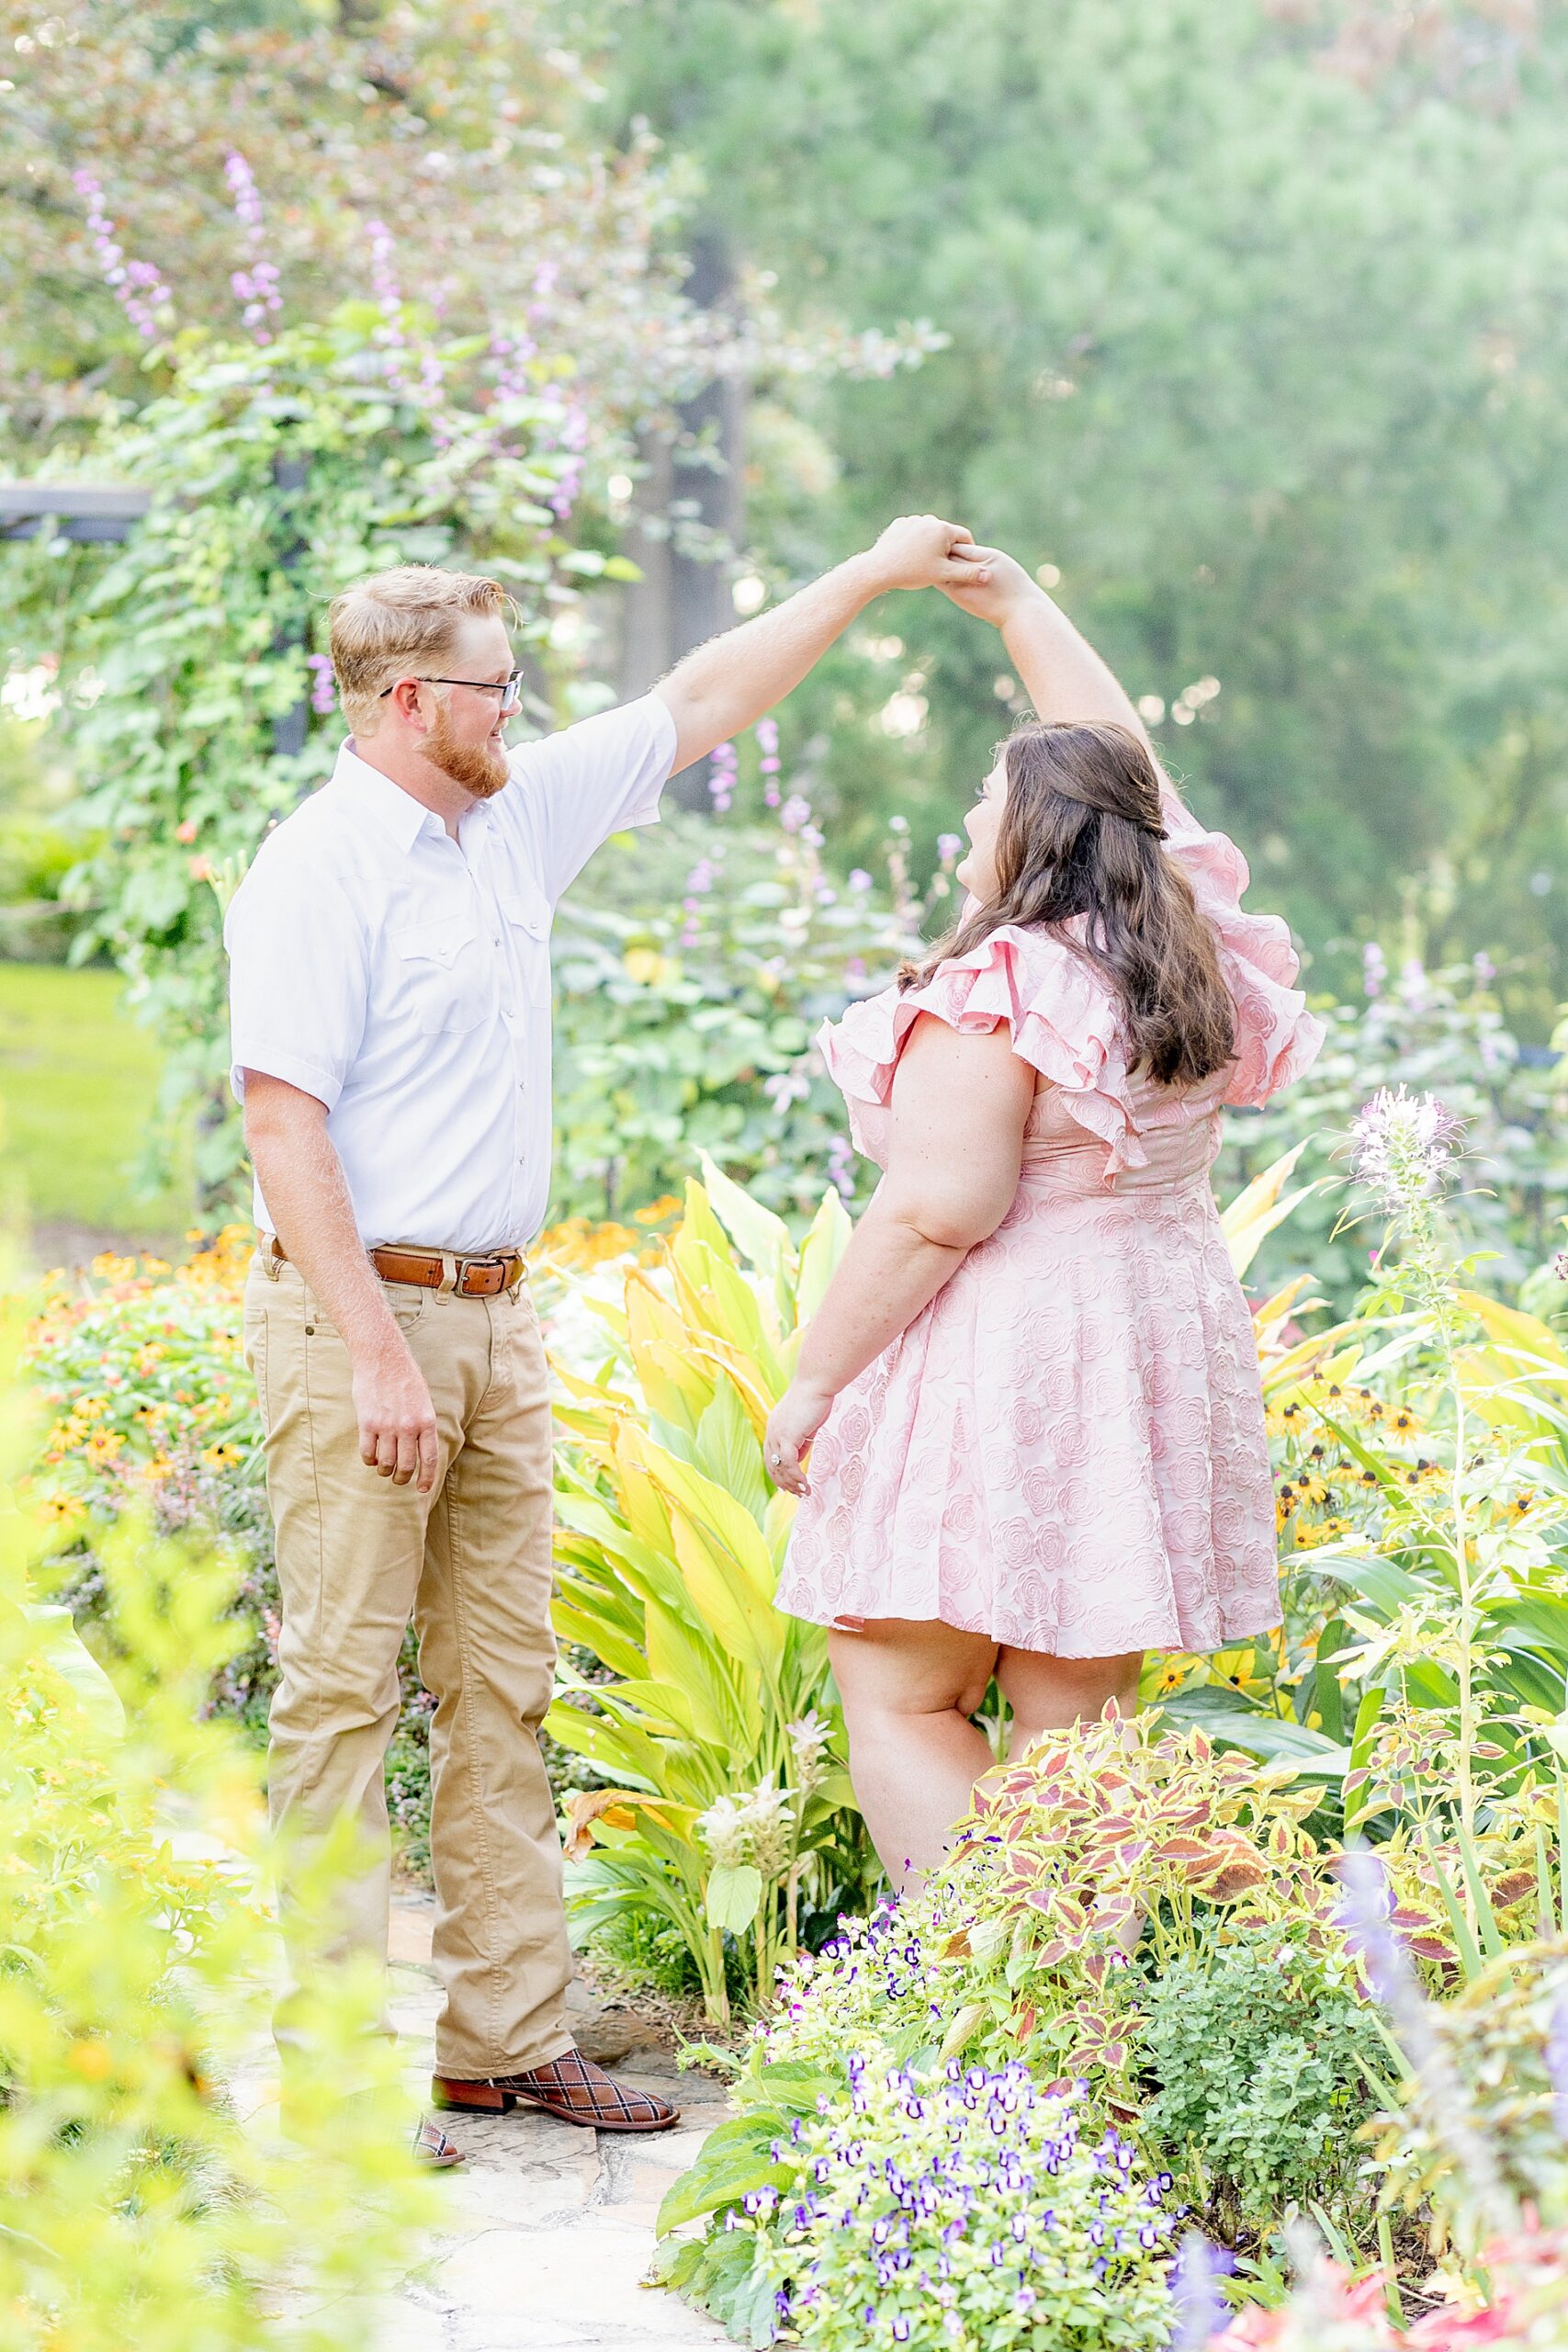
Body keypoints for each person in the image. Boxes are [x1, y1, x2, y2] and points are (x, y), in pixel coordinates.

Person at [225, 521, 991, 2161]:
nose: (521, 712)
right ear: (405, 698)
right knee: (343, 1698)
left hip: (500, 1320)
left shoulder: (512, 826)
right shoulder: (320, 867)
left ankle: (501, 2042)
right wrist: (373, 1355)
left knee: (501, 1695)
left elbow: (702, 698)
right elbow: (283, 1129)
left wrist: (862, 575)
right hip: (362, 1317)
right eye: (497, 690)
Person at [764, 549, 1325, 1892]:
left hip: (1011, 1349)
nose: (968, 824)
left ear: (1033, 838)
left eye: (982, 804)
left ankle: (991, 2011)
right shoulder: (1193, 952)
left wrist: (814, 1382)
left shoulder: (1013, 980)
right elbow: (1134, 775)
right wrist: (1019, 607)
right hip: (1144, 1336)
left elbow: (935, 1212)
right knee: (1078, 1722)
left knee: (903, 1688)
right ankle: (1071, 2034)